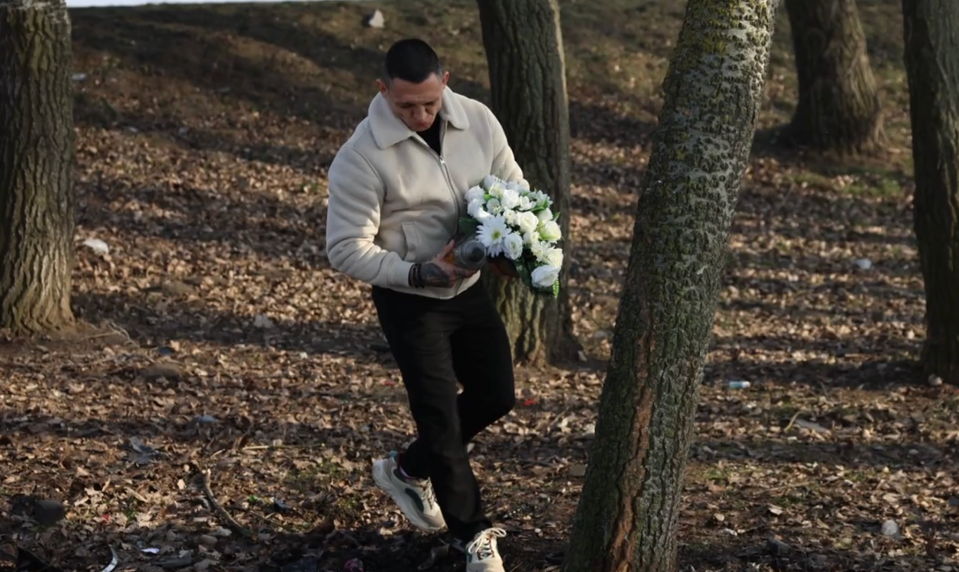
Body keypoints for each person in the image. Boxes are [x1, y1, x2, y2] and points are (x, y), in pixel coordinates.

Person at [324, 38, 523, 572]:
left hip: (469, 290)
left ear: (446, 81)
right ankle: (474, 536)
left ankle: (407, 470)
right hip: (409, 300)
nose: (419, 115)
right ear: (382, 90)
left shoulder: (478, 120)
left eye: (430, 103)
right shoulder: (361, 156)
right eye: (406, 105)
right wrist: (416, 271)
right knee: (440, 420)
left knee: (497, 395)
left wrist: (512, 244)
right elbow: (345, 247)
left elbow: (513, 187)